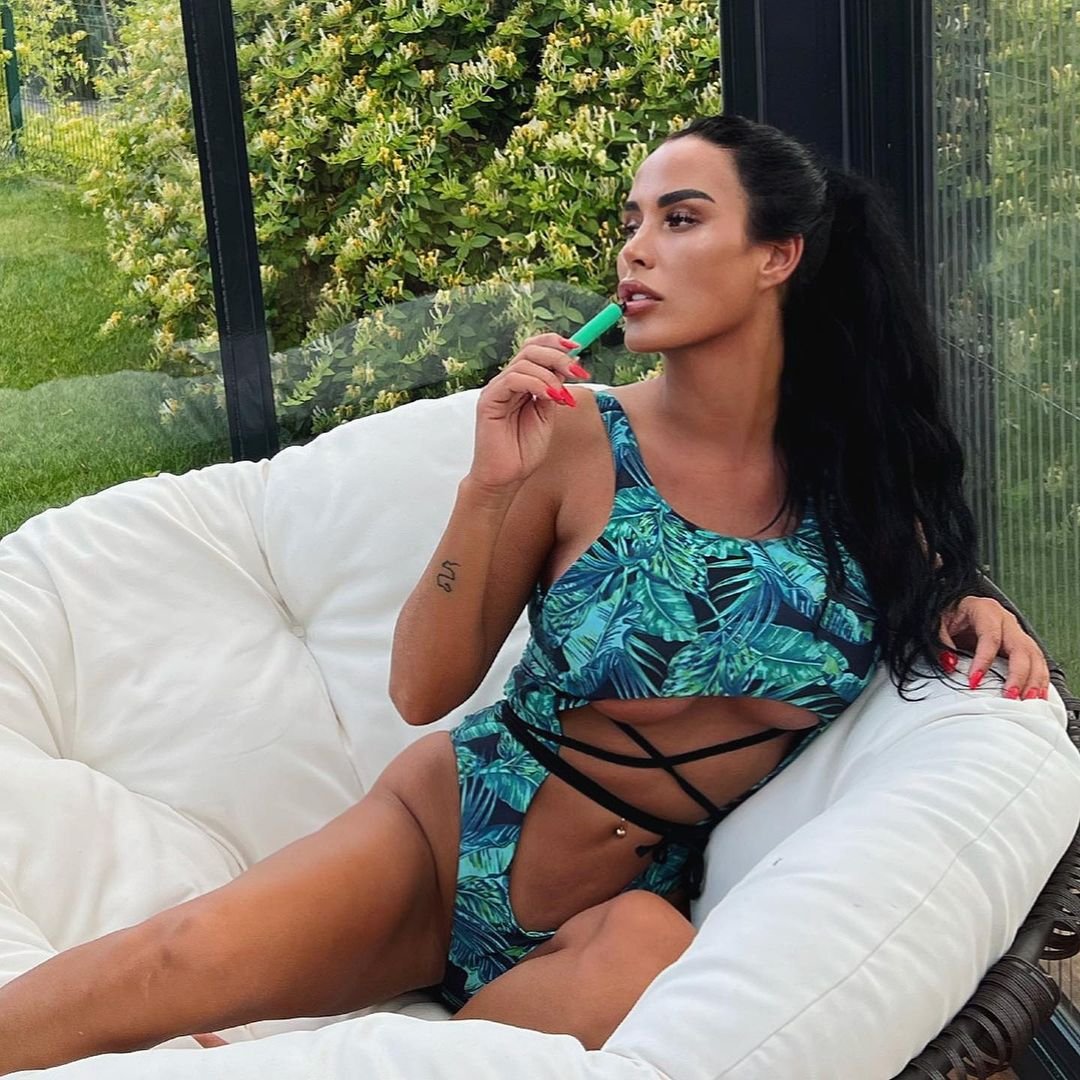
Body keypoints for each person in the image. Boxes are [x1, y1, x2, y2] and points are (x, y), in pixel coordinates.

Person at [0, 114, 1051, 1074]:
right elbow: (421, 689)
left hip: (621, 911)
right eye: (631, 222)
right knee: (173, 957)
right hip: (454, 830)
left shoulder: (863, 495)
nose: (635, 250)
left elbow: (920, 593)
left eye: (681, 219)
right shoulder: (579, 438)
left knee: (624, 961)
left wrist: (969, 605)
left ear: (779, 255)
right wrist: (489, 487)